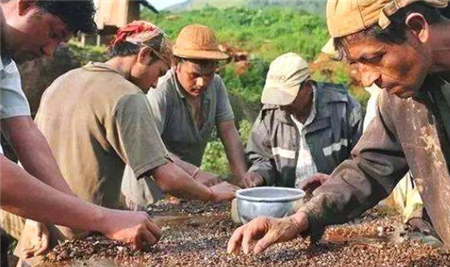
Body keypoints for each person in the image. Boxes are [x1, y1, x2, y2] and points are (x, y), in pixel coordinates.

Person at [227, 0, 450, 255]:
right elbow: (370, 167)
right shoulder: (401, 99)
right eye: (358, 64)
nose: (368, 79)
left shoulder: (364, 99)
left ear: (417, 27)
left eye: (373, 58)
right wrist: (300, 219)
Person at [12, 20, 239, 264]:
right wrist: (211, 195)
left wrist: (35, 218)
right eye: (159, 73)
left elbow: (31, 155)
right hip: (83, 240)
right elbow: (167, 178)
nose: (154, 84)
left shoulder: (62, 81)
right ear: (143, 55)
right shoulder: (128, 96)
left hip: (38, 238)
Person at [0, 1, 165, 265]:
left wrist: (74, 217)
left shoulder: (5, 61)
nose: (49, 51)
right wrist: (101, 217)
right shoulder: (127, 96)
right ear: (26, 4)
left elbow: (25, 133)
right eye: (53, 33)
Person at [121, 24, 248, 209]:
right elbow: (151, 149)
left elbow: (228, 131)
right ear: (176, 65)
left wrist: (241, 178)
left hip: (187, 191)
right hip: (149, 192)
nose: (202, 82)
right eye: (194, 75)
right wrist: (196, 174)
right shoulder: (161, 91)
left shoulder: (217, 86)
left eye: (209, 74)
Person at [241, 52, 362, 189]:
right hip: (288, 201)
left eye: (287, 98)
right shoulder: (271, 114)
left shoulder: (344, 108)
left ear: (307, 87)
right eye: (278, 98)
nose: (282, 105)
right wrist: (259, 174)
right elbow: (260, 157)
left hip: (336, 197)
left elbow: (363, 160)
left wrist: (338, 182)